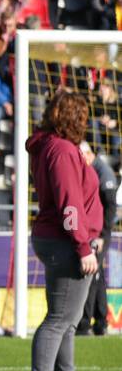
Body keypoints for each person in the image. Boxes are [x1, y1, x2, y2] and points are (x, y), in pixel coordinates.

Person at [26, 91, 108, 371]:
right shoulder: (60, 150)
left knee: (68, 320)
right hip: (65, 241)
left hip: (62, 239)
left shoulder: (56, 147)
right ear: (74, 119)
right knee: (59, 319)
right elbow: (69, 203)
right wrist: (83, 245)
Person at [77, 140, 118, 337]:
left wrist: (102, 235)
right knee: (98, 276)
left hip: (100, 233)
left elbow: (110, 207)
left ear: (88, 155)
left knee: (91, 274)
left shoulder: (104, 174)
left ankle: (84, 324)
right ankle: (101, 322)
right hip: (95, 231)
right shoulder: (93, 170)